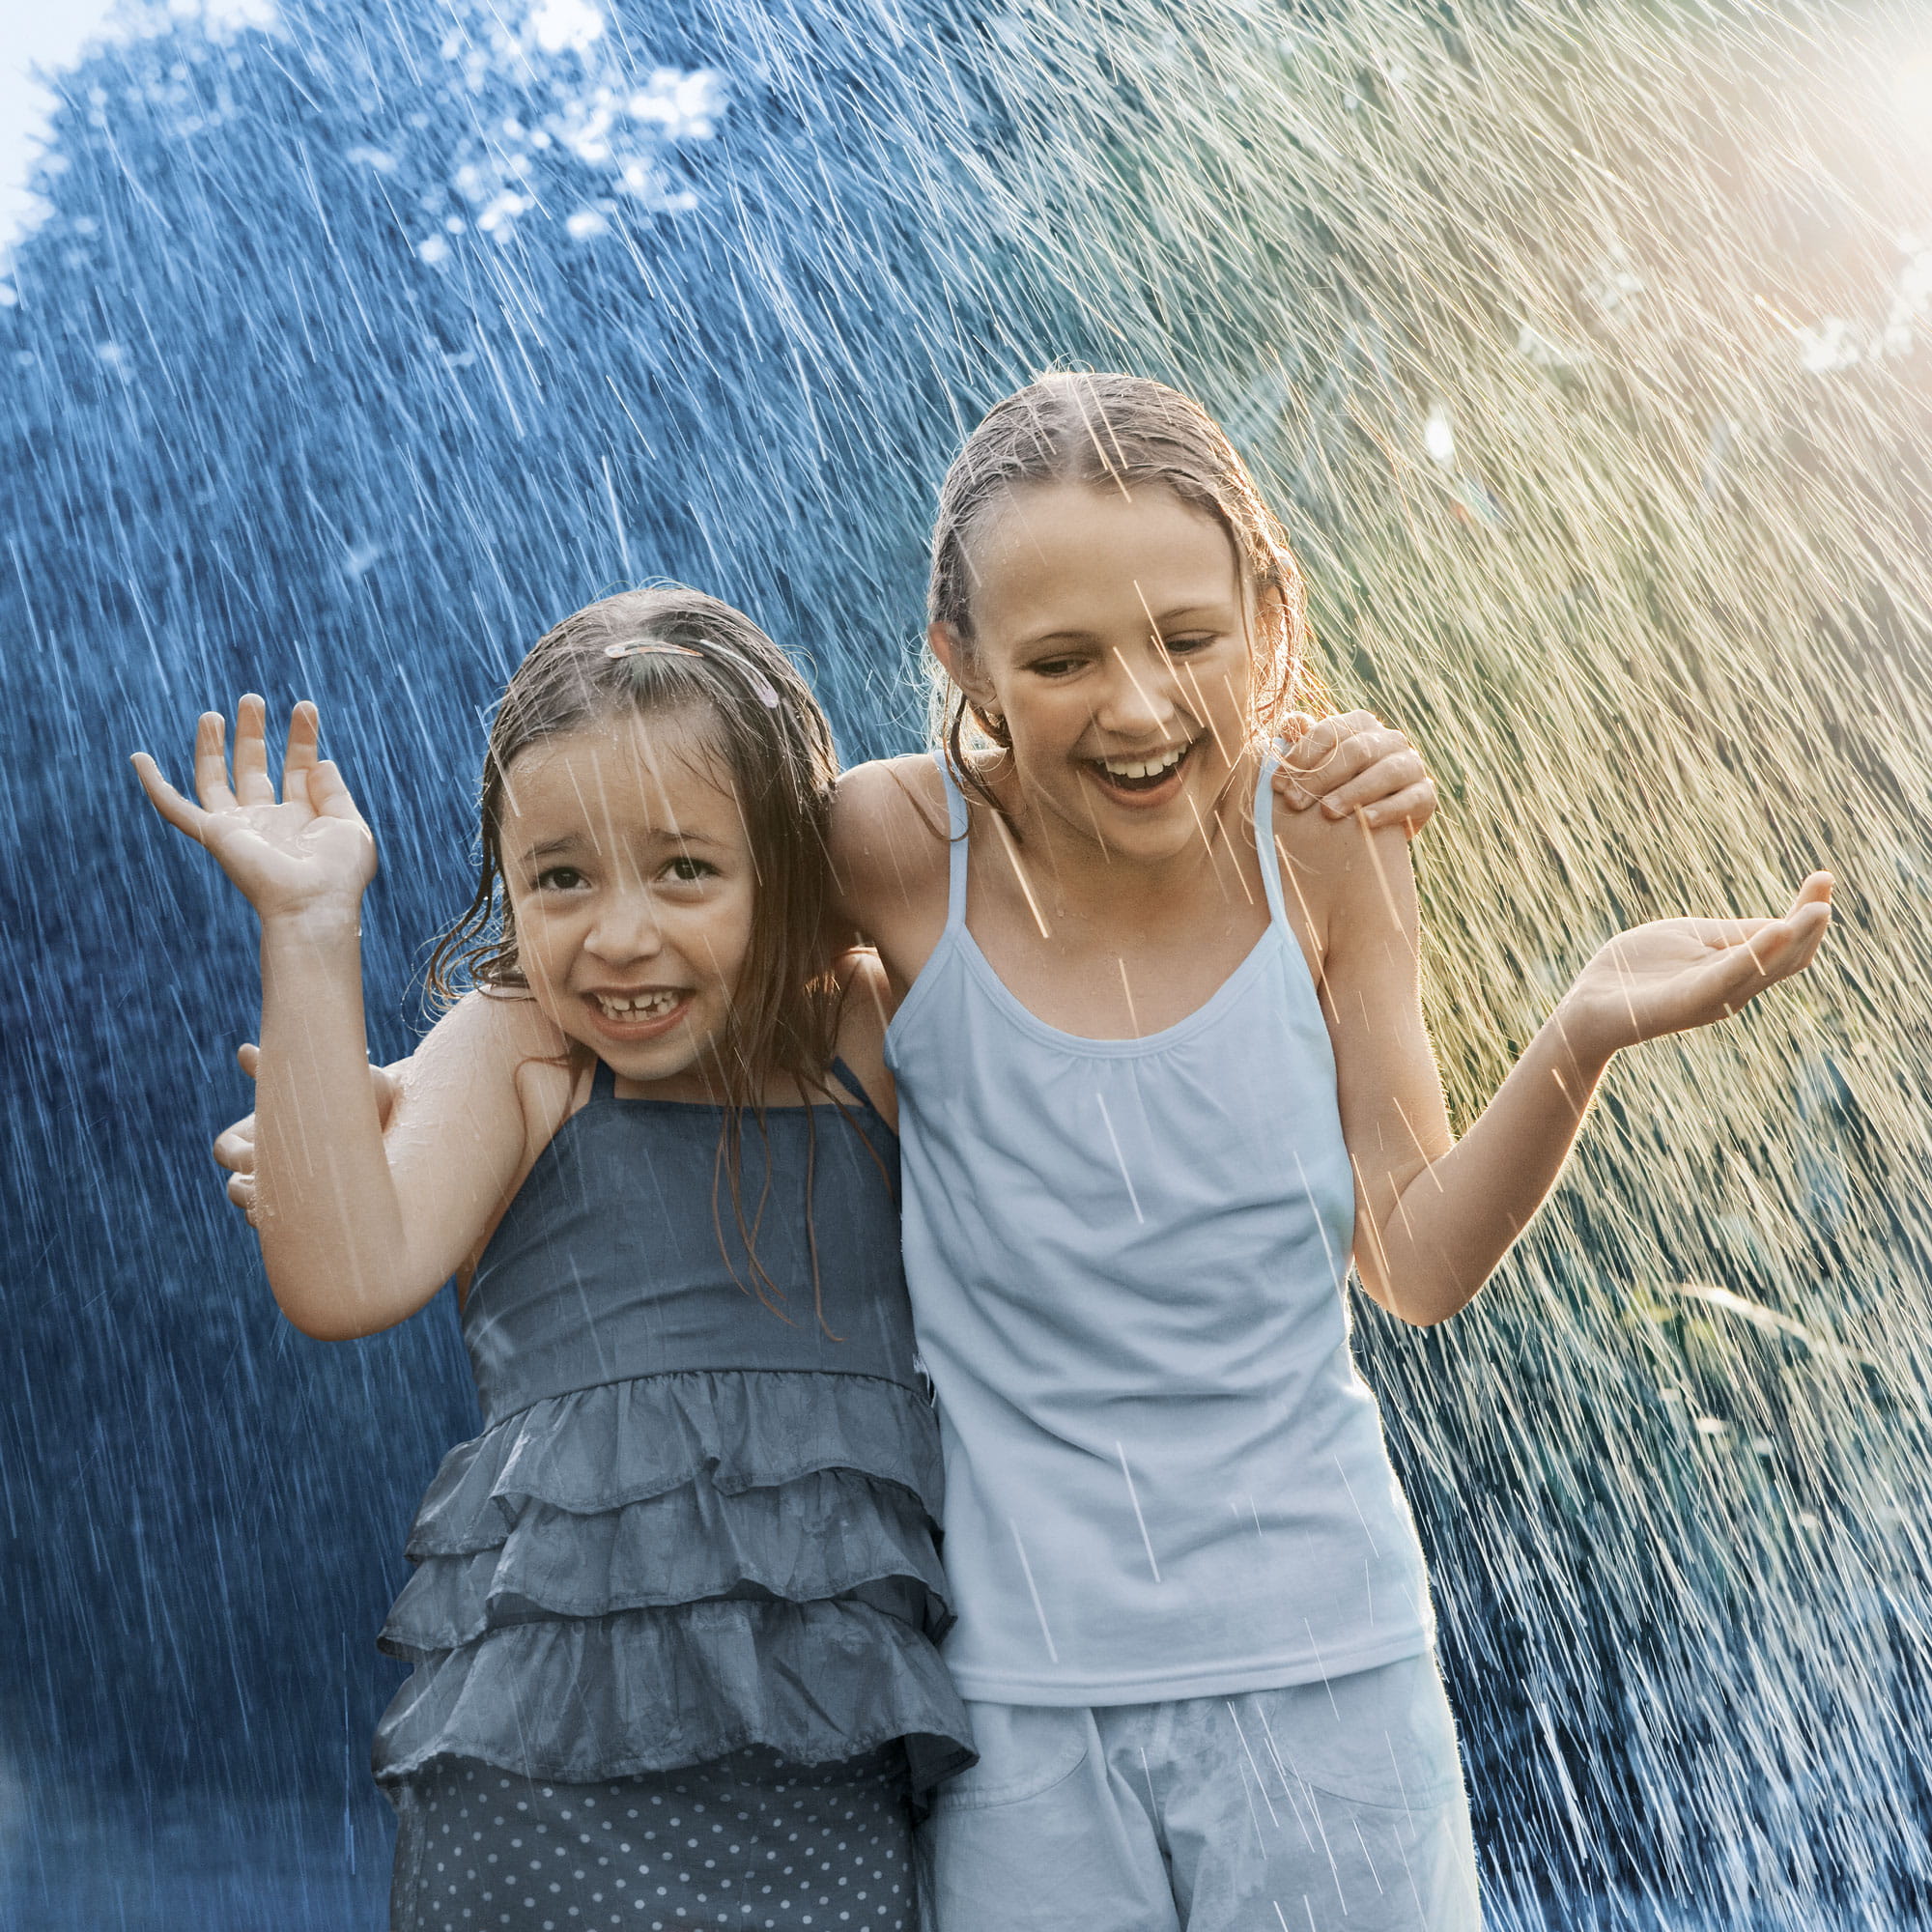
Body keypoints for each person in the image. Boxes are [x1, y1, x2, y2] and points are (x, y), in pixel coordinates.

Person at [817, 372, 1833, 1930]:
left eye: (1188, 638)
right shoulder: (894, 851)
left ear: (1266, 611)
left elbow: (1413, 1256)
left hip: (1328, 1670)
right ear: (965, 663)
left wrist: (1580, 1034)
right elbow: (624, 938)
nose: (1142, 705)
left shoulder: (1324, 842)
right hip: (1014, 1697)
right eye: (1062, 657)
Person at [131, 586, 977, 1932]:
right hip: (545, 1799)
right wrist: (309, 931)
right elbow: (344, 1276)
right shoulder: (520, 1045)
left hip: (827, 1783)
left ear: (786, 867)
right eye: (561, 877)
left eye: (686, 869)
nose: (619, 934)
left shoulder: (868, 1034)